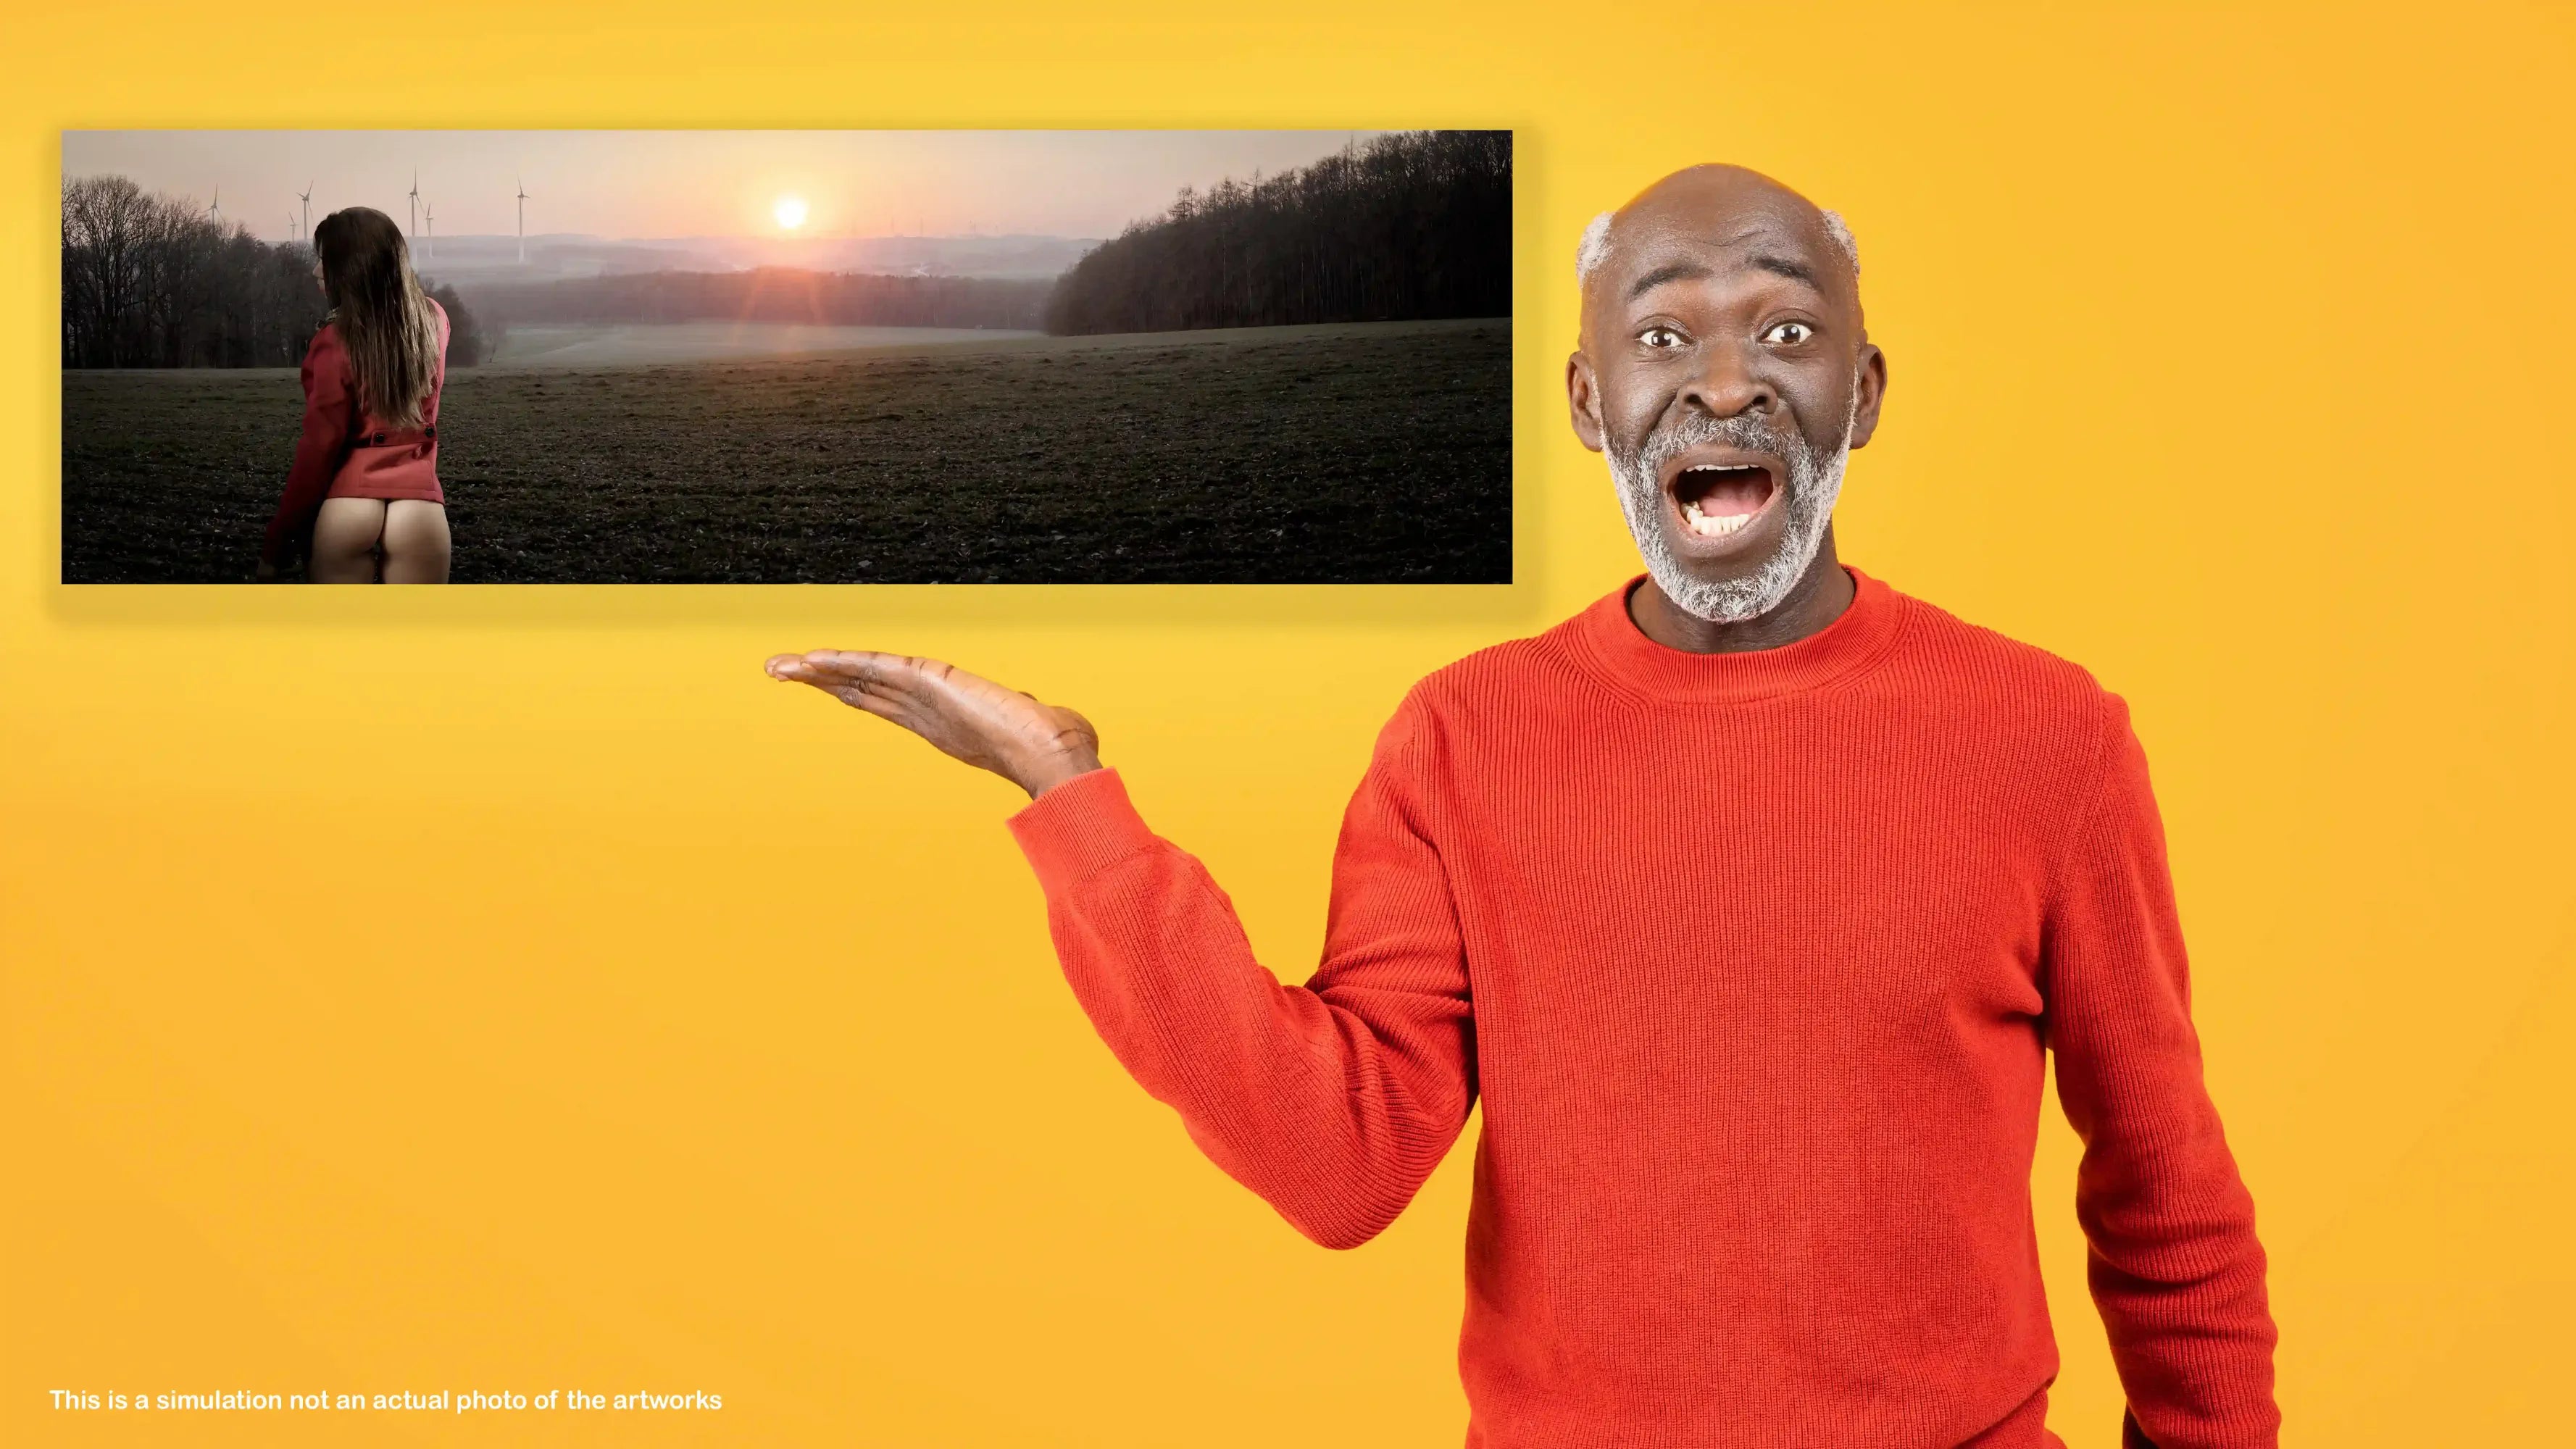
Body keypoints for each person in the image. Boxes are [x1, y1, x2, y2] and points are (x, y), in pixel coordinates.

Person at [764, 164, 2279, 1448]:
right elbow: (1335, 1157)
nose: (1728, 379)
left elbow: (2166, 1198)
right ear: (1585, 401)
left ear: (1862, 395)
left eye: (1788, 328)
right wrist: (1072, 797)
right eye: (1665, 329)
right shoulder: (1463, 737)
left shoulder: (2043, 733)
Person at [257, 206, 452, 584]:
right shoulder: (435, 322)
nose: (316, 271)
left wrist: (277, 544)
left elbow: (319, 447)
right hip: (422, 508)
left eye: (324, 261)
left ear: (350, 270)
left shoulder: (333, 341)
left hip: (349, 505)